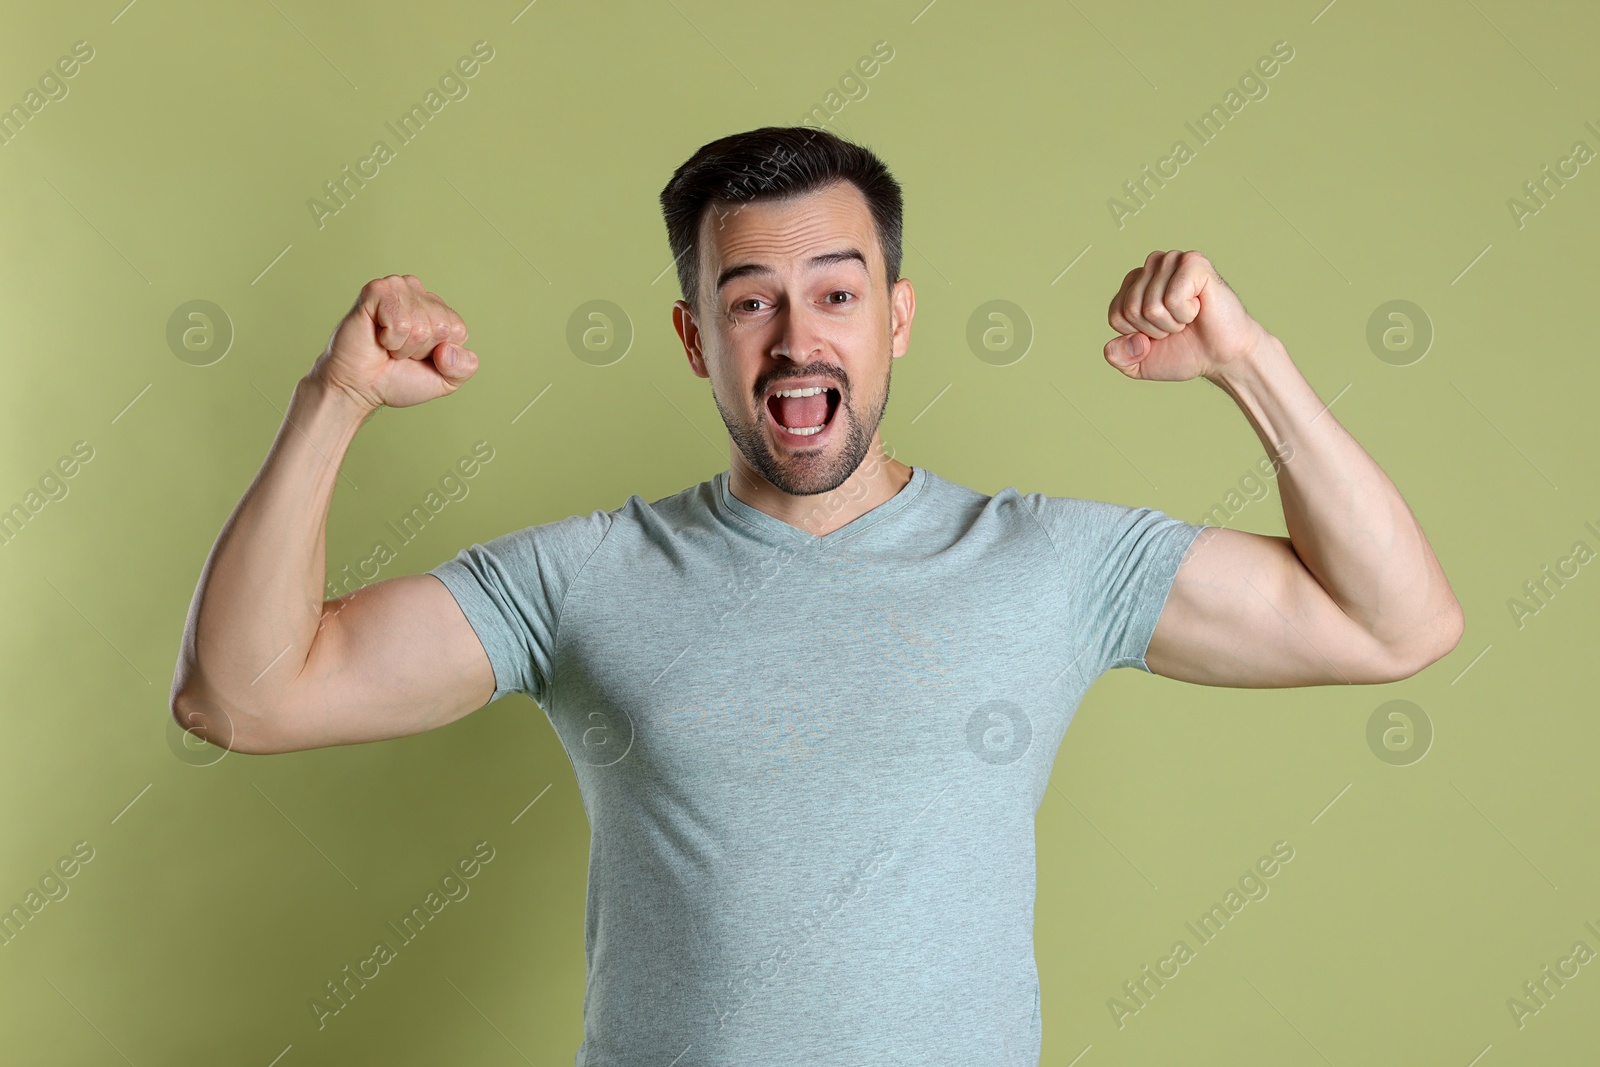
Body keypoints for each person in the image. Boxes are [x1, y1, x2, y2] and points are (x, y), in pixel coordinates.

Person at [170, 125, 1463, 1065]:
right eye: (750, 303)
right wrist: (332, 402)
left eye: (836, 294)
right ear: (695, 339)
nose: (798, 340)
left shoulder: (1049, 566)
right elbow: (243, 696)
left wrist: (1250, 365)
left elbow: (1398, 622)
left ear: (896, 317)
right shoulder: (582, 580)